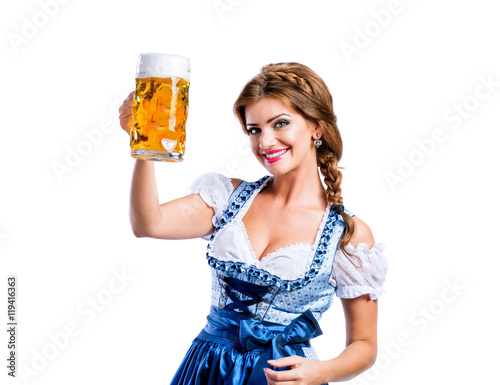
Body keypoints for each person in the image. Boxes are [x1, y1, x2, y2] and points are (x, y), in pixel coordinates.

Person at [118, 62, 388, 385]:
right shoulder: (228, 199)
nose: (265, 142)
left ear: (316, 127)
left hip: (281, 379)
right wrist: (143, 142)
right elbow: (148, 222)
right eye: (255, 129)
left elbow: (365, 345)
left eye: (280, 124)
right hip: (206, 370)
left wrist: (321, 371)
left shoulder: (348, 236)